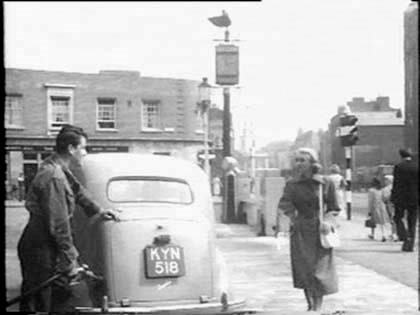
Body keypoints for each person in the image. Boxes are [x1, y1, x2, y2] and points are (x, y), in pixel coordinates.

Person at [17, 124, 120, 313]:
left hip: (43, 243)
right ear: (71, 149)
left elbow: (78, 191)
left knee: (56, 297)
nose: (85, 153)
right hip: (41, 246)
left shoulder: (58, 166)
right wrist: (71, 258)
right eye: (83, 148)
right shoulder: (54, 176)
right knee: (42, 301)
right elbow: (58, 225)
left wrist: (98, 210)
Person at [278, 147, 340, 312]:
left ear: (312, 162)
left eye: (302, 160)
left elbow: (334, 207)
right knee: (304, 269)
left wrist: (328, 221)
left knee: (318, 270)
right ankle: (310, 305)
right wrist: (293, 217)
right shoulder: (291, 184)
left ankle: (317, 307)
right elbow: (285, 203)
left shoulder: (325, 183)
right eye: (296, 160)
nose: (298, 164)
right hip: (300, 231)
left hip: (320, 231)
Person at [391, 148, 419, 252]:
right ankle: (410, 244)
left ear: (401, 156)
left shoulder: (398, 167)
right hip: (414, 197)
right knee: (412, 221)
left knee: (398, 218)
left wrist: (393, 196)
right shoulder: (416, 166)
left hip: (401, 197)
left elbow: (396, 183)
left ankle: (404, 235)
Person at [367, 177, 391, 241]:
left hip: (375, 207)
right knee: (382, 222)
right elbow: (384, 199)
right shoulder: (382, 190)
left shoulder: (371, 190)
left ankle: (372, 234)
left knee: (373, 221)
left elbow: (370, 201)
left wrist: (369, 211)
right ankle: (383, 235)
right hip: (382, 207)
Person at [381, 175, 398, 241]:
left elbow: (383, 198)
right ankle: (394, 234)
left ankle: (386, 235)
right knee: (394, 220)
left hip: (388, 206)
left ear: (389, 181)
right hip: (396, 206)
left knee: (387, 221)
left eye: (386, 180)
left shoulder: (385, 189)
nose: (385, 181)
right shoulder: (397, 188)